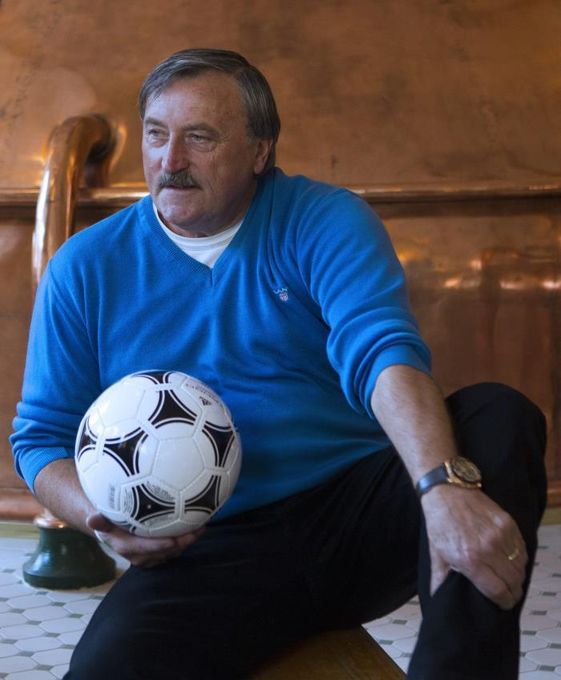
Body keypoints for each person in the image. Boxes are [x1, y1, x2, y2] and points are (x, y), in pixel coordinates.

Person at [11, 48, 546, 679]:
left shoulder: (323, 219)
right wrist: (102, 520)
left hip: (361, 514)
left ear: (260, 151)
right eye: (156, 135)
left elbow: (381, 352)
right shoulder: (86, 266)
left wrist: (441, 488)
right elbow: (41, 439)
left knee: (498, 416)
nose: (170, 161)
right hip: (211, 547)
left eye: (199, 137)